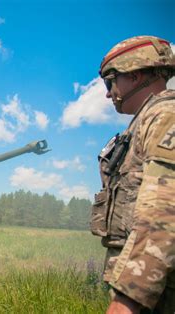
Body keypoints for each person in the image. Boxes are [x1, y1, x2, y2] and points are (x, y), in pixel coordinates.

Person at [91, 35, 175, 313]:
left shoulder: (164, 116)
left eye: (110, 81)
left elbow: (164, 215)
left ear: (136, 75)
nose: (107, 92)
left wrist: (128, 300)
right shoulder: (143, 122)